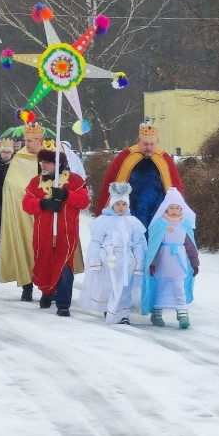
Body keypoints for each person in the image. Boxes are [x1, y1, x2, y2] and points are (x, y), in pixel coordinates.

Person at [22, 147, 89, 316]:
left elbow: (84, 201)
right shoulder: (35, 182)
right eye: (42, 162)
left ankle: (63, 304)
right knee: (44, 263)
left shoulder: (74, 180)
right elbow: (26, 203)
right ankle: (47, 291)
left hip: (66, 233)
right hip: (43, 234)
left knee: (64, 266)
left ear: (58, 164)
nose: (43, 165)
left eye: (47, 163)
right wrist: (42, 204)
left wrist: (67, 195)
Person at [78, 182, 147, 324]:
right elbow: (96, 241)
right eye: (118, 204)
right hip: (108, 260)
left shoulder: (133, 222)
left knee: (125, 287)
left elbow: (138, 243)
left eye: (124, 204)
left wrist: (140, 261)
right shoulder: (104, 221)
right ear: (112, 205)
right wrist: (94, 258)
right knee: (108, 285)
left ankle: (123, 315)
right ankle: (108, 308)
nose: (121, 207)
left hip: (127, 260)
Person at [97, 122, 184, 232]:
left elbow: (175, 188)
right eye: (145, 144)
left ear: (157, 142)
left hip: (158, 215)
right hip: (129, 214)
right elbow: (110, 185)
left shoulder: (164, 159)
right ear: (138, 141)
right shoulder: (125, 157)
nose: (148, 147)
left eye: (152, 144)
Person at [0, 124, 44, 300]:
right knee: (25, 244)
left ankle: (50, 287)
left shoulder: (51, 155)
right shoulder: (20, 158)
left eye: (30, 141)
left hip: (46, 211)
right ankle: (27, 285)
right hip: (24, 211)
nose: (27, 144)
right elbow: (11, 184)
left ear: (40, 140)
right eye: (26, 140)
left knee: (47, 248)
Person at [142, 188, 199, 328]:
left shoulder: (185, 224)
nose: (174, 211)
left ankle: (182, 313)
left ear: (182, 208)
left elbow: (190, 245)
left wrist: (194, 262)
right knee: (161, 287)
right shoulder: (159, 224)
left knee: (179, 287)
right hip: (163, 261)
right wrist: (152, 264)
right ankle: (157, 312)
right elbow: (154, 246)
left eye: (177, 208)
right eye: (171, 207)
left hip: (179, 262)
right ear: (166, 208)